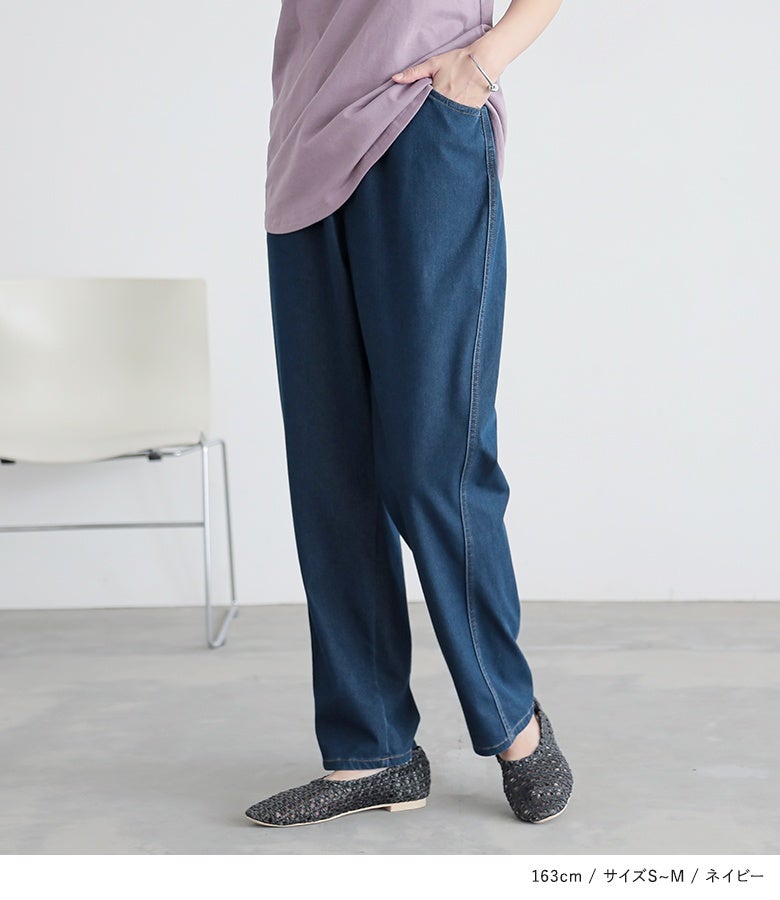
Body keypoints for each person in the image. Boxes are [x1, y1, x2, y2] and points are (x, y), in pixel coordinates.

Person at [245, 0, 573, 828]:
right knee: (332, 473)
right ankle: (372, 751)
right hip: (305, 146)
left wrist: (482, 61)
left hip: (420, 126)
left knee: (434, 460)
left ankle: (513, 721)